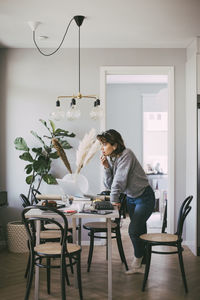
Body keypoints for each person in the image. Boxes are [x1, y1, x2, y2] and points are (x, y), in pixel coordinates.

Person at [97, 129, 155, 274]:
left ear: (114, 145)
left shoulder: (127, 154)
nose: (102, 147)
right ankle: (144, 265)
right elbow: (110, 185)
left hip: (144, 197)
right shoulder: (114, 159)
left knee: (134, 230)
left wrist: (113, 201)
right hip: (131, 198)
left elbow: (119, 181)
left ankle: (137, 261)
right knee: (140, 230)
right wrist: (106, 168)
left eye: (104, 144)